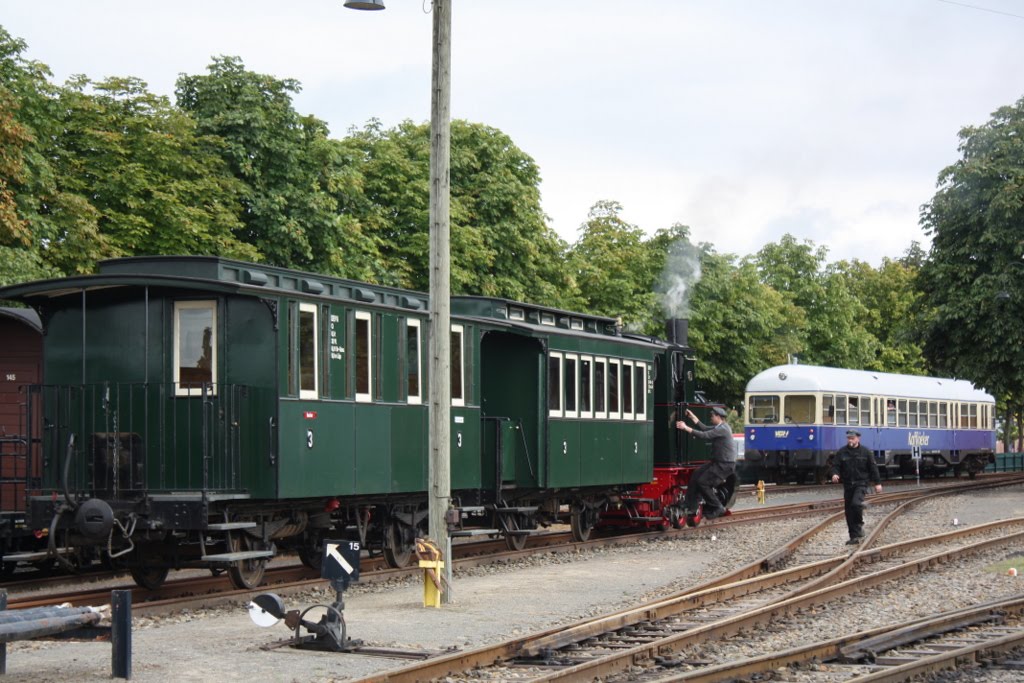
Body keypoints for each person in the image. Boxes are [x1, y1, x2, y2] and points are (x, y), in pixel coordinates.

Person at [676, 406, 736, 519]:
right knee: (696, 473)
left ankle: (718, 507)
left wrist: (685, 428)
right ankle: (691, 505)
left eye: (712, 416)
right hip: (718, 462)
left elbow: (704, 435)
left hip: (725, 464)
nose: (711, 417)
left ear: (718, 417)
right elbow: (705, 428)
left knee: (703, 482)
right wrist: (693, 417)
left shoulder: (723, 429)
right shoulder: (720, 427)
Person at [828, 429, 883, 544]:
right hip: (848, 485)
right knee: (849, 511)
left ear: (858, 439)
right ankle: (853, 537)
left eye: (852, 438)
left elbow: (873, 468)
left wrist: (877, 483)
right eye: (848, 438)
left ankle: (859, 527)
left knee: (856, 504)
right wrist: (834, 474)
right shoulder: (842, 452)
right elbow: (835, 466)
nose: (850, 440)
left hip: (861, 483)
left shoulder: (866, 452)